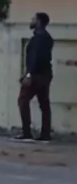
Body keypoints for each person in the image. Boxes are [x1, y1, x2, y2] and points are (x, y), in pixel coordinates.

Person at [14, 11, 54, 143]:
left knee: (23, 100)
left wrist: (29, 74)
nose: (31, 21)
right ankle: (45, 134)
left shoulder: (39, 38)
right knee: (44, 104)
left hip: (37, 75)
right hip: (45, 75)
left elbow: (36, 57)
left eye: (33, 19)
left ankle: (27, 132)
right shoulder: (46, 37)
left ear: (39, 22)